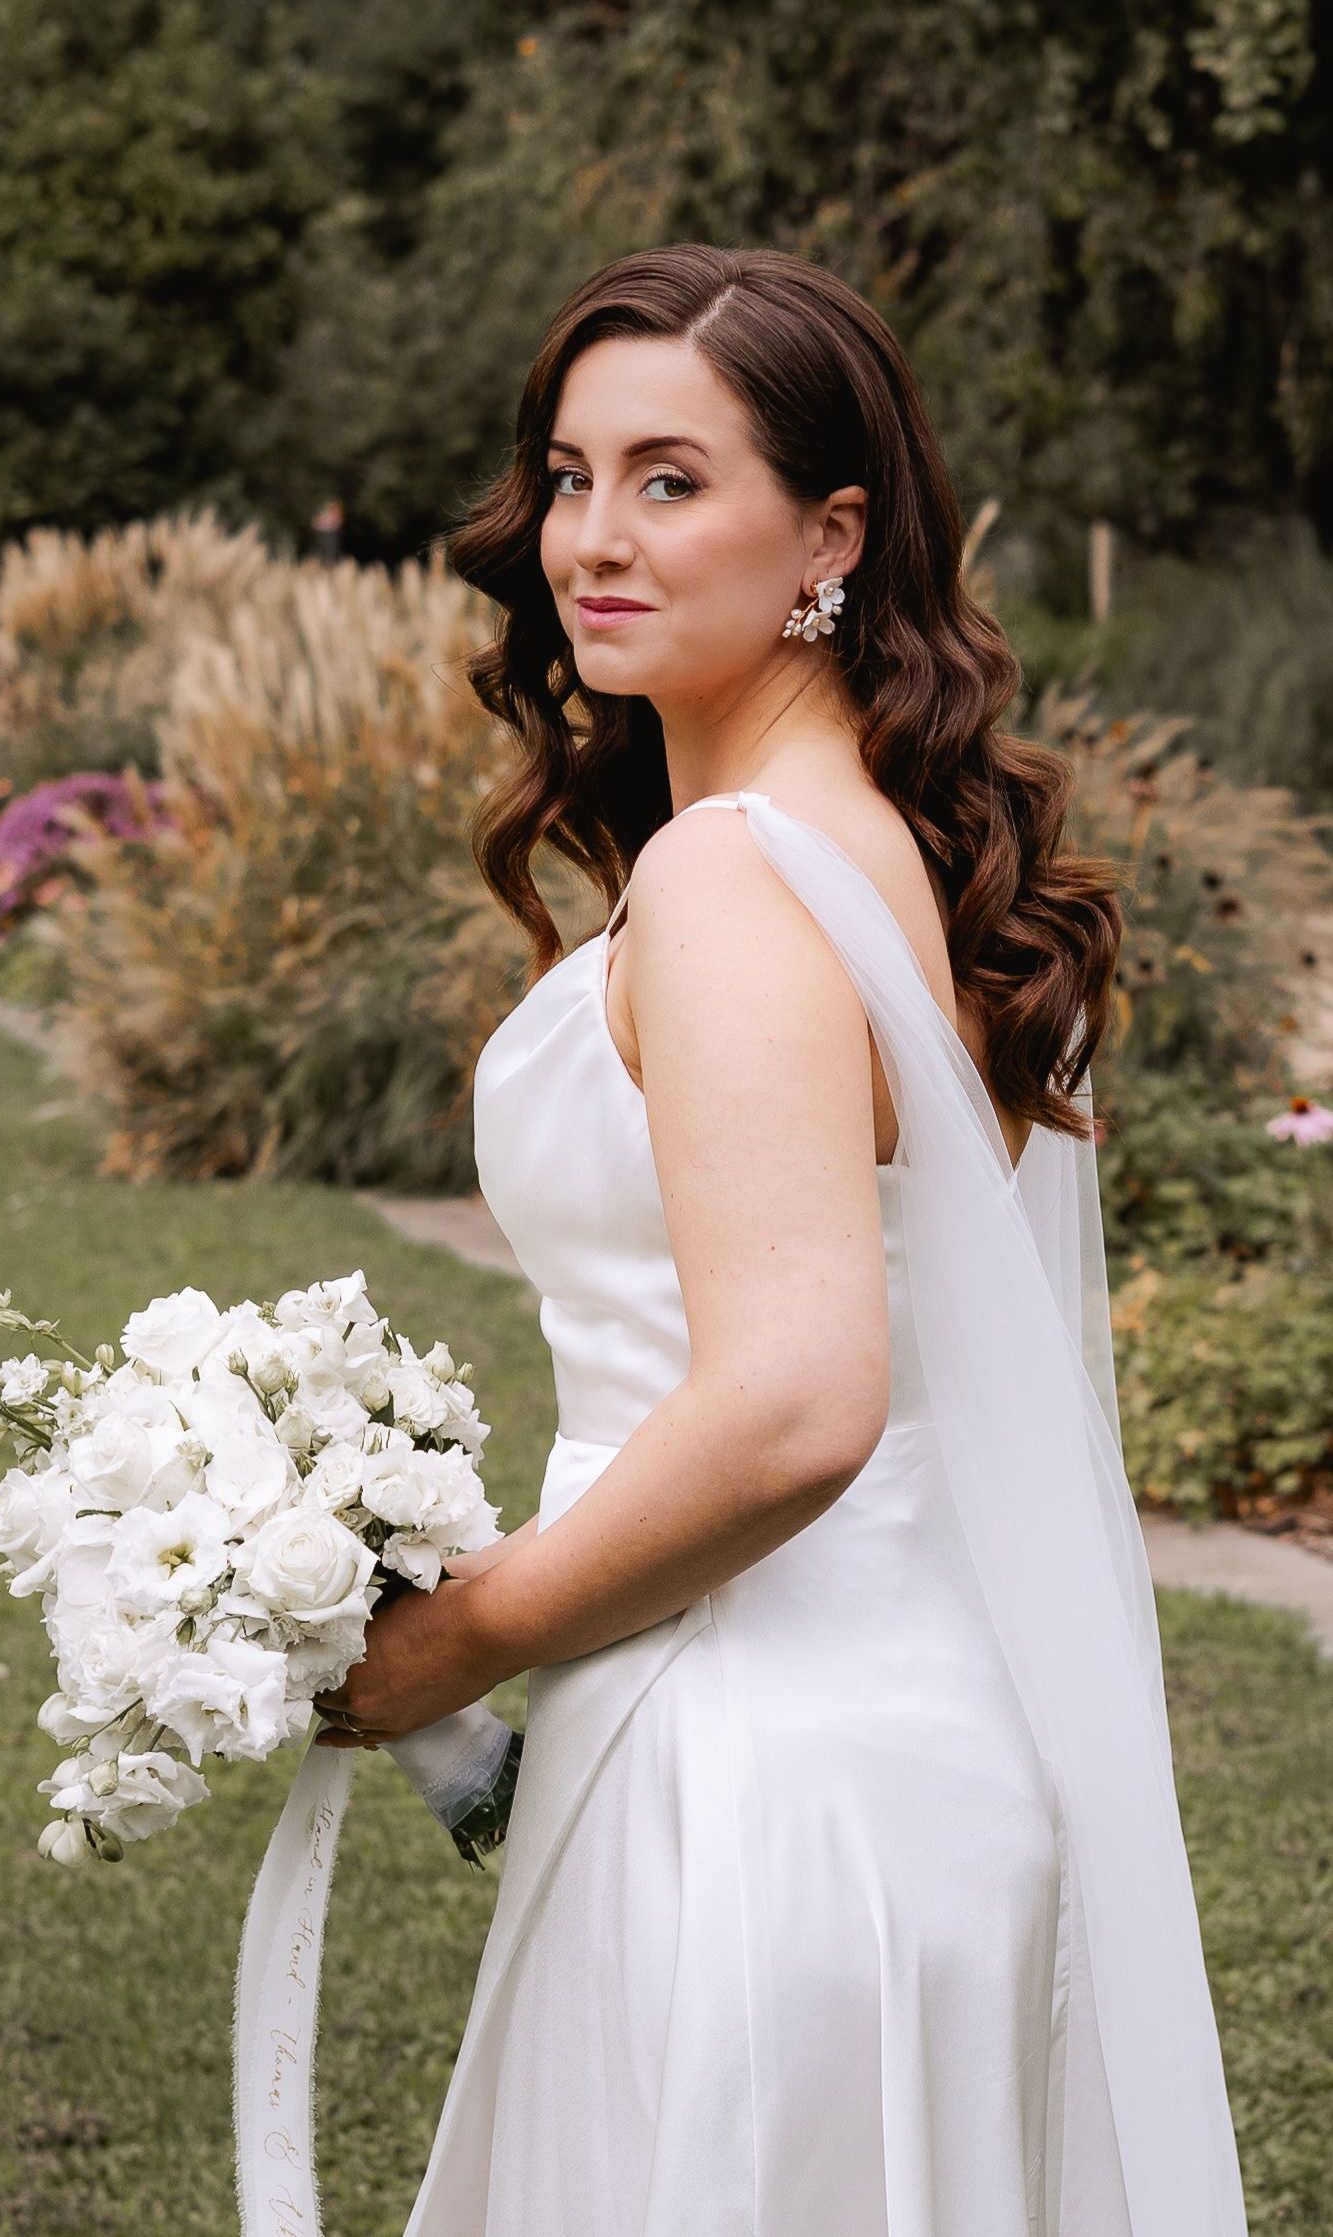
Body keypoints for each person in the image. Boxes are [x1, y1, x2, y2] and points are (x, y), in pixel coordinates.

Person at [311, 245, 1249, 2235]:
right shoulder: (879, 845)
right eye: (568, 477)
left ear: (829, 531)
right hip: (885, 1750)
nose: (590, 538)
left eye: (668, 478)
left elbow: (798, 1402)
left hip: (754, 1771)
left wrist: (447, 1644)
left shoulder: (734, 877)